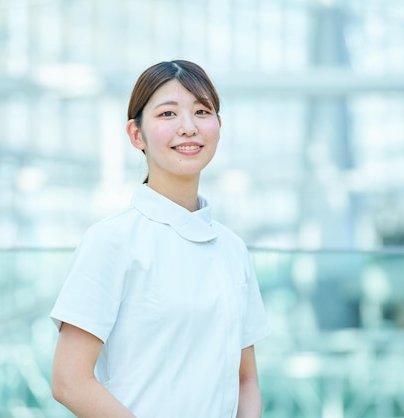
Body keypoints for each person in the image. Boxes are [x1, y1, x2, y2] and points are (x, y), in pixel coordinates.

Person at [50, 60, 270, 418]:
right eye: (168, 114)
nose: (188, 127)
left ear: (218, 126)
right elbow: (69, 380)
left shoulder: (233, 249)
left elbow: (245, 380)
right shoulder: (111, 241)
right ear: (137, 135)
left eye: (202, 111)